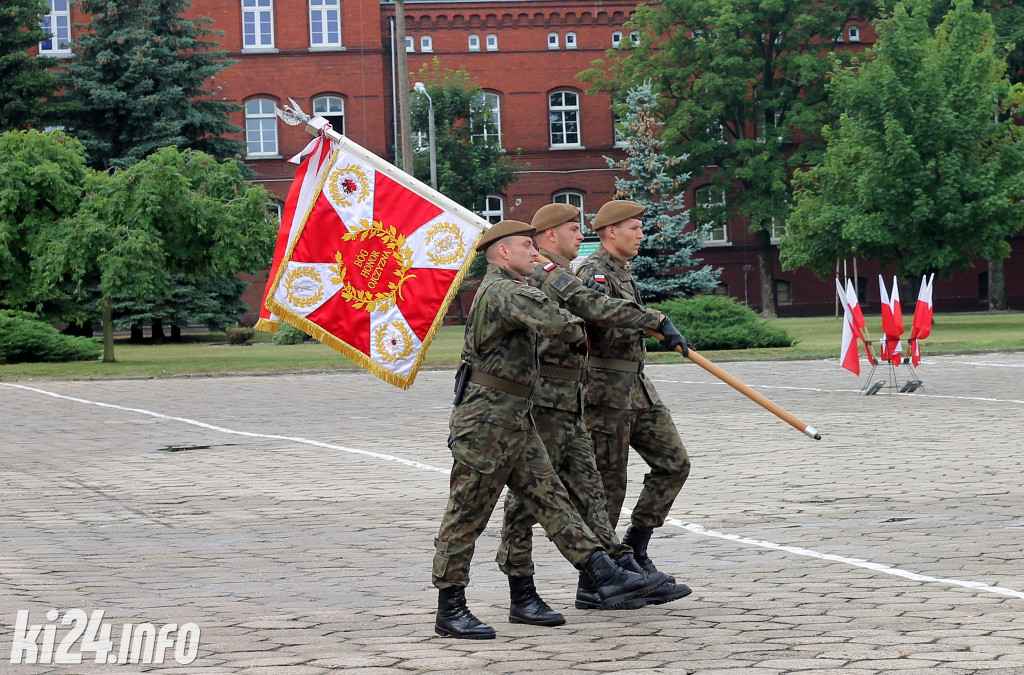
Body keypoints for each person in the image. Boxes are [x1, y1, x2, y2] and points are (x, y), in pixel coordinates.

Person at [432, 219, 666, 640]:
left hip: (515, 416)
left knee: (552, 499)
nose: (534, 253)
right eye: (527, 246)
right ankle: (450, 607)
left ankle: (601, 572)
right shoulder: (504, 290)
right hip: (485, 421)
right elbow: (563, 322)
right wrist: (569, 303)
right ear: (504, 252)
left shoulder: (513, 286)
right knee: (468, 513)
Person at [496, 204, 692, 626]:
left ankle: (613, 571)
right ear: (551, 237)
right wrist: (656, 319)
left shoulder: (555, 272)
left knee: (591, 494)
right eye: (572, 229)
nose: (579, 236)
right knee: (527, 502)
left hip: (573, 400)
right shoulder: (544, 276)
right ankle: (523, 589)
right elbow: (593, 307)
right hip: (545, 401)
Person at [575, 200, 694, 592]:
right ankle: (598, 579)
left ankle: (635, 547)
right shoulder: (593, 273)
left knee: (674, 462)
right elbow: (600, 314)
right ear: (611, 232)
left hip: (638, 390)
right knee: (609, 485)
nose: (641, 235)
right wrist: (654, 319)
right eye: (635, 228)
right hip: (606, 394)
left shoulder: (623, 273)